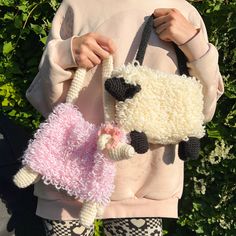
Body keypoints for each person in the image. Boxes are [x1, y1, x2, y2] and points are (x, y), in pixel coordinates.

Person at [25, 0, 224, 235]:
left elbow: (202, 110)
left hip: (145, 189)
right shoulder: (76, 6)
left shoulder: (182, 12)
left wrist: (195, 44)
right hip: (70, 178)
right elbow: (46, 101)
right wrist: (65, 53)